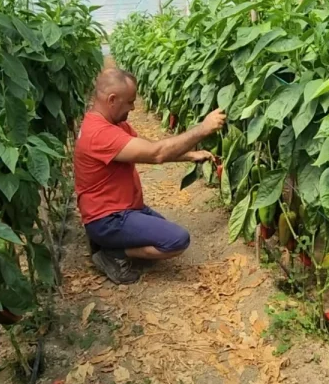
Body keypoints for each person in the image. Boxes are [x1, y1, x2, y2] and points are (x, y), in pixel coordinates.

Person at [74, 68, 227, 284]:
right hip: (109, 218)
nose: (134, 107)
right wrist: (203, 129)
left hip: (119, 209)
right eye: (130, 102)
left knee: (160, 233)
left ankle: (107, 242)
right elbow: (157, 154)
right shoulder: (100, 134)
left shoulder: (111, 125)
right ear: (112, 99)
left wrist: (189, 155)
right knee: (176, 240)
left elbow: (149, 148)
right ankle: (112, 254)